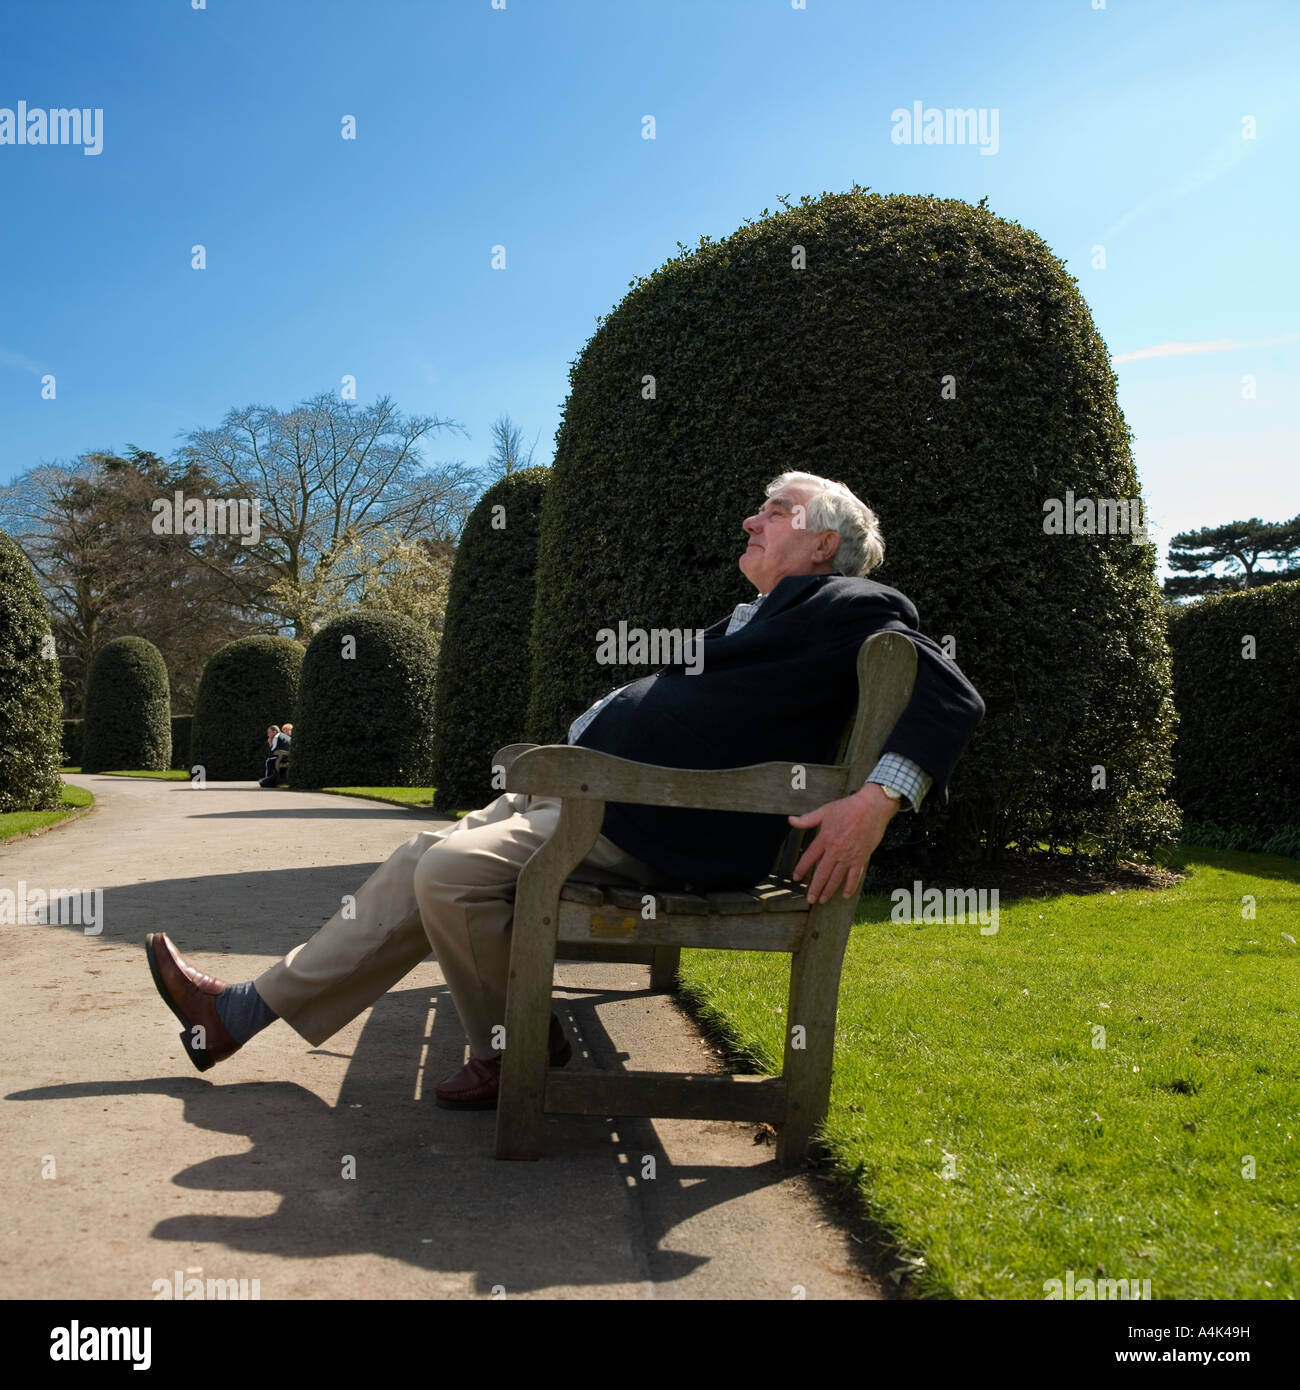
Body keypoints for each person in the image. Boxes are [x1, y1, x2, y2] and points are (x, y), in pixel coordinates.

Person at [148, 472, 985, 1109]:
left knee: (447, 875)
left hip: (659, 827)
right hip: (596, 801)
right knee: (420, 855)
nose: (751, 518)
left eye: (773, 509)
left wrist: (876, 801)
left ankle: (512, 1047)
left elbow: (951, 691)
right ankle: (241, 1015)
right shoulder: (764, 615)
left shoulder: (850, 601)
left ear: (823, 543)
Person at [258, 724, 291, 788]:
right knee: (271, 760)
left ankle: (267, 781)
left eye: (269, 733)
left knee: (268, 761)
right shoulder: (285, 736)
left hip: (283, 756)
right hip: (288, 756)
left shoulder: (276, 737)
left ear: (274, 732)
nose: (268, 735)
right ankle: (271, 780)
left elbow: (273, 751)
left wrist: (270, 744)